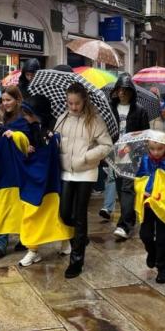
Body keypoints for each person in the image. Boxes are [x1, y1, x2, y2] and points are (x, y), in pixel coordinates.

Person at [54, 83, 113, 279]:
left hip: (86, 172)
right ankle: (82, 238)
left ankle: (76, 261)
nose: (73, 107)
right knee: (64, 213)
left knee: (80, 216)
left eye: (76, 103)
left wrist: (87, 157)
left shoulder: (94, 120)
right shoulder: (62, 118)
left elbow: (106, 146)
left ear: (83, 101)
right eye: (69, 103)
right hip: (67, 172)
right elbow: (57, 140)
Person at [13, 94, 63, 268]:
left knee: (53, 212)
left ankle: (61, 242)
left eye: (28, 113)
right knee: (32, 213)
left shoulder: (51, 130)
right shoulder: (29, 127)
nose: (25, 117)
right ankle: (33, 249)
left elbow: (50, 155)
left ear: (38, 112)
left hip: (48, 181)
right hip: (34, 180)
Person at [0, 86, 28, 256]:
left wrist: (11, 133)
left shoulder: (25, 118)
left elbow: (27, 140)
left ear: (17, 100)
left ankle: (24, 238)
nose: (5, 103)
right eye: (3, 100)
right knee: (1, 203)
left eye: (9, 100)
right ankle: (0, 242)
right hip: (3, 166)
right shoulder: (1, 117)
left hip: (19, 168)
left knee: (19, 204)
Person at [135, 140, 165, 284]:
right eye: (152, 149)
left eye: (159, 149)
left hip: (162, 206)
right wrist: (142, 190)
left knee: (162, 239)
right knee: (145, 235)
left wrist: (158, 195)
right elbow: (139, 179)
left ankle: (163, 268)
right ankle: (152, 252)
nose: (155, 152)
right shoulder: (145, 160)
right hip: (147, 205)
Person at [110, 74, 151, 240]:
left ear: (131, 92)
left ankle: (124, 225)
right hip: (114, 154)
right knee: (120, 189)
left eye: (125, 90)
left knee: (127, 188)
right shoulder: (111, 108)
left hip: (131, 155)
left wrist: (137, 150)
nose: (122, 93)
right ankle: (129, 219)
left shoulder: (139, 110)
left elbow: (145, 134)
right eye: (119, 89)